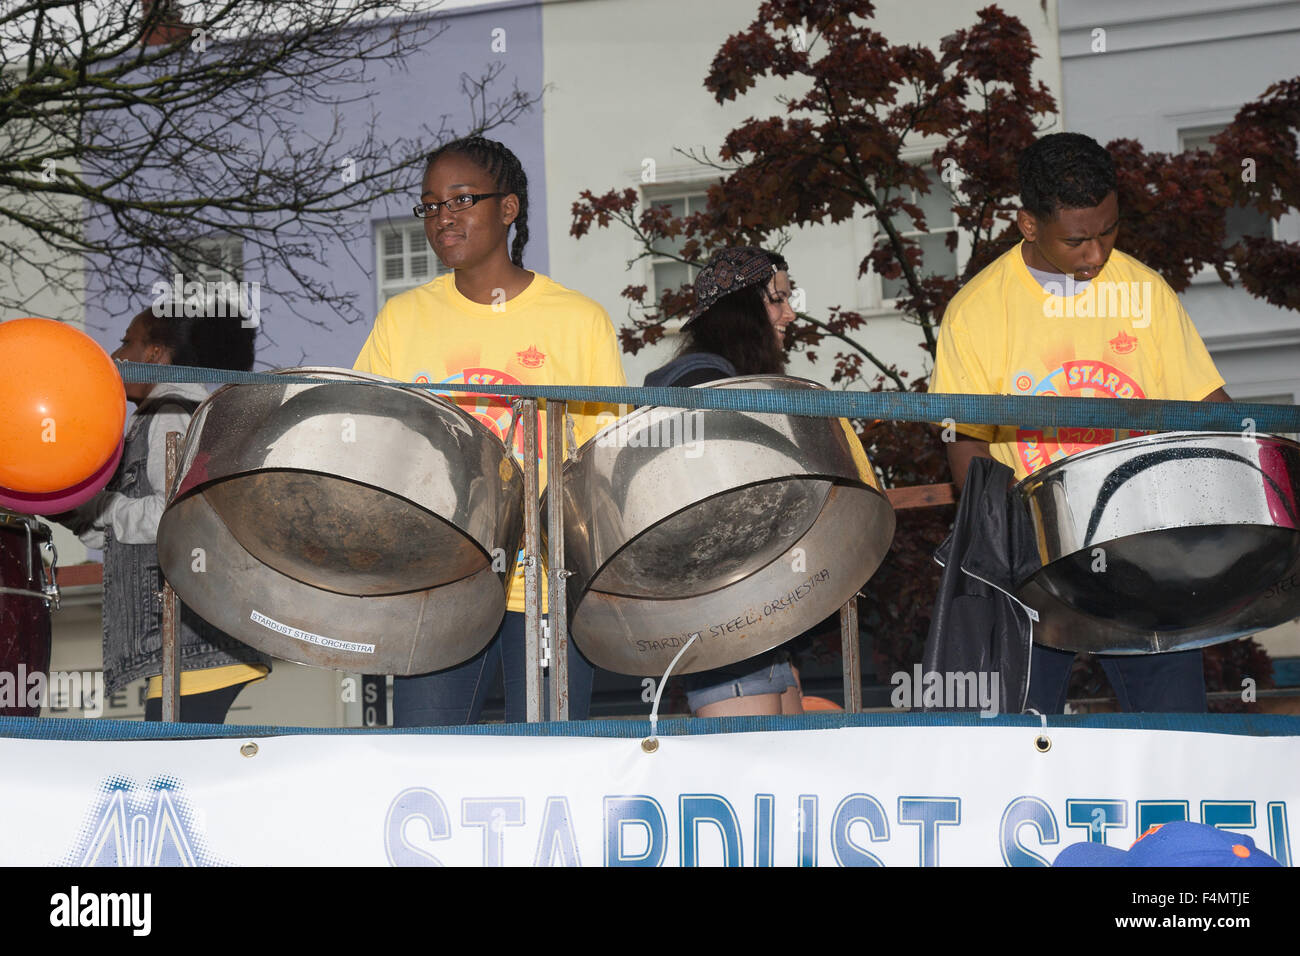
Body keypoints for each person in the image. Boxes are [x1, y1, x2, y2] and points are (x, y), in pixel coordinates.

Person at [929, 131, 1231, 714]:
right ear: (1028, 225)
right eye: (1077, 240)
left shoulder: (1144, 291)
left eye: (1109, 231)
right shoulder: (976, 313)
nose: (1097, 255)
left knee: (1175, 735)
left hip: (1149, 552)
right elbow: (966, 453)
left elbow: (1210, 412)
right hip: (1035, 563)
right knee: (1023, 743)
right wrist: (1014, 543)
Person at [353, 135, 626, 726]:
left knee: (551, 764)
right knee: (427, 759)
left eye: (461, 200)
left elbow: (606, 462)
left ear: (508, 208)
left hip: (547, 584)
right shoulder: (401, 321)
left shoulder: (578, 321)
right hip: (438, 583)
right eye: (429, 205)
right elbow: (363, 442)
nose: (441, 218)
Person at [56, 306, 270, 722]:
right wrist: (64, 506)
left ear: (154, 354)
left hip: (194, 639)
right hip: (186, 643)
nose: (116, 355)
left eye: (126, 341)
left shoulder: (170, 411)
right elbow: (114, 532)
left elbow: (172, 515)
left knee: (173, 767)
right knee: (181, 766)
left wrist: (100, 506)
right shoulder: (149, 417)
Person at [644, 246, 806, 717]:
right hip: (723, 617)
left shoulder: (729, 381)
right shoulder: (697, 385)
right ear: (740, 311)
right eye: (777, 299)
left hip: (758, 618)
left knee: (790, 774)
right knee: (755, 775)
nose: (790, 312)